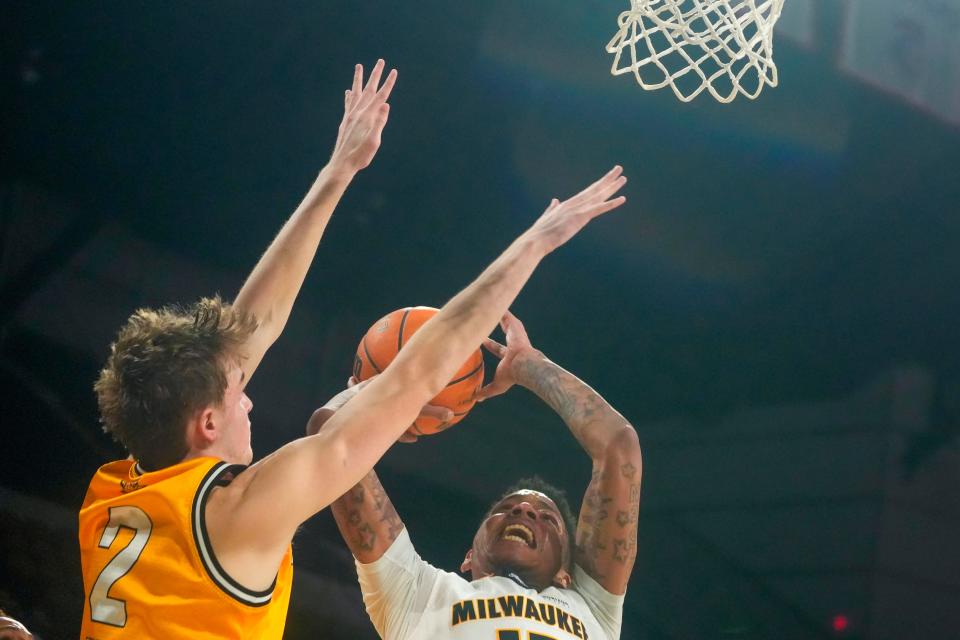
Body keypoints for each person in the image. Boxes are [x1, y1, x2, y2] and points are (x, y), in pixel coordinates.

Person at [78, 52, 628, 636]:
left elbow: (250, 327)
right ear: (207, 423)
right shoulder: (242, 513)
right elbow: (416, 376)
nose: (250, 397)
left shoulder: (118, 485)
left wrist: (338, 171)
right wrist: (532, 246)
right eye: (239, 391)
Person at [316, 311, 641, 640]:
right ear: (469, 556)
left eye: (547, 519)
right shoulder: (419, 592)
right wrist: (373, 395)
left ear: (564, 574)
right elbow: (327, 438)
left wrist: (529, 365)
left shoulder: (592, 606)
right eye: (505, 509)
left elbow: (619, 447)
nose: (523, 511)